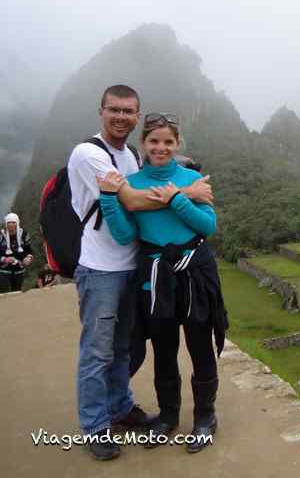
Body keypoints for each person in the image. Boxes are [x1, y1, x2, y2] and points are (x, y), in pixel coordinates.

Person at [69, 85, 213, 461]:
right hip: (102, 269)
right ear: (101, 110)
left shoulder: (130, 158)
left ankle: (134, 409)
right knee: (104, 351)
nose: (121, 116)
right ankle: (100, 425)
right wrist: (185, 193)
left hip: (143, 269)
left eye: (128, 111)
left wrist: (183, 188)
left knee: (127, 347)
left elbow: (203, 222)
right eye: (114, 109)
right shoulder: (89, 154)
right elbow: (128, 207)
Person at [98, 111, 227, 454]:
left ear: (177, 144)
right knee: (164, 351)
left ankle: (204, 417)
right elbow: (126, 234)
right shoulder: (132, 184)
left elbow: (207, 226)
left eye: (168, 141)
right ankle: (168, 416)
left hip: (193, 273)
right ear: (143, 144)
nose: (161, 147)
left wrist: (177, 199)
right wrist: (110, 199)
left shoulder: (192, 178)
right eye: (154, 141)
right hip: (155, 275)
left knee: (200, 347)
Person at [0, 212, 33, 292]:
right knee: (5, 293)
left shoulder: (24, 234)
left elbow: (29, 250)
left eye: (13, 222)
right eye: (9, 222)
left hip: (19, 270)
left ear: (17, 223)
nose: (11, 224)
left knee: (16, 293)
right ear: (6, 224)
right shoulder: (1, 235)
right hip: (3, 271)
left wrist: (28, 258)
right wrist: (4, 259)